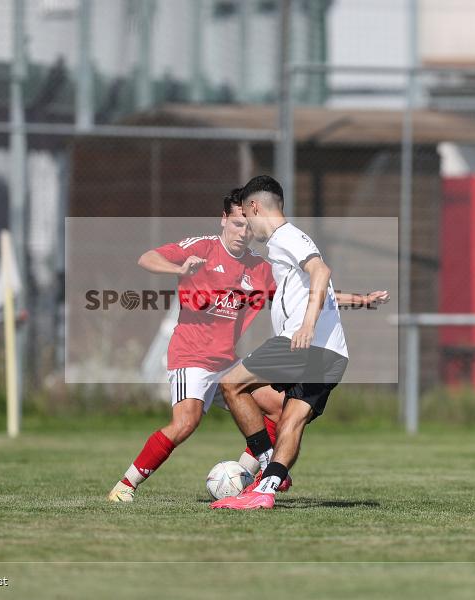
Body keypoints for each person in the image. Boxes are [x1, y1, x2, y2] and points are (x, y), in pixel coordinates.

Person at [210, 175, 385, 510]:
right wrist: (360, 300)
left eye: (247, 218)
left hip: (302, 344)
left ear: (255, 207)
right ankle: (266, 490)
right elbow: (320, 291)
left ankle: (262, 463)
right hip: (332, 354)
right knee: (290, 420)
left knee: (229, 385)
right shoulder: (287, 245)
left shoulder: (284, 238)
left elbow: (322, 272)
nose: (248, 228)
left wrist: (306, 325)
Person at [107, 189, 285, 502]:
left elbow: (293, 293)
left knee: (279, 408)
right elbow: (147, 258)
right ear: (223, 220)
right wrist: (178, 270)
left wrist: (342, 299)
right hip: (191, 356)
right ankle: (124, 487)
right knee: (186, 423)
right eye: (236, 223)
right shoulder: (201, 248)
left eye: (248, 225)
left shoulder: (259, 268)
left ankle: (247, 476)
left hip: (226, 361)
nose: (242, 232)